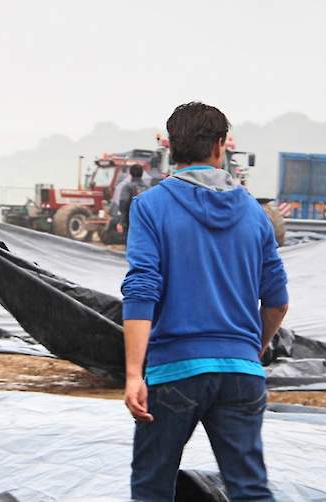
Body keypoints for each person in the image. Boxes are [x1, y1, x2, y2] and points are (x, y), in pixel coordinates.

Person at [121, 102, 288, 502]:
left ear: (172, 149)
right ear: (219, 147)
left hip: (175, 369)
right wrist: (253, 348)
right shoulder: (255, 213)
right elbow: (277, 301)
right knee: (250, 489)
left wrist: (132, 374)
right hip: (241, 372)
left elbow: (142, 289)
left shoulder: (150, 206)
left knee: (152, 485)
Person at [115, 164, 149, 241]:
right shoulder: (148, 188)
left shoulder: (128, 187)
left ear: (130, 174)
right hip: (146, 224)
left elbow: (124, 204)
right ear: (142, 174)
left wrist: (120, 222)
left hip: (131, 224)